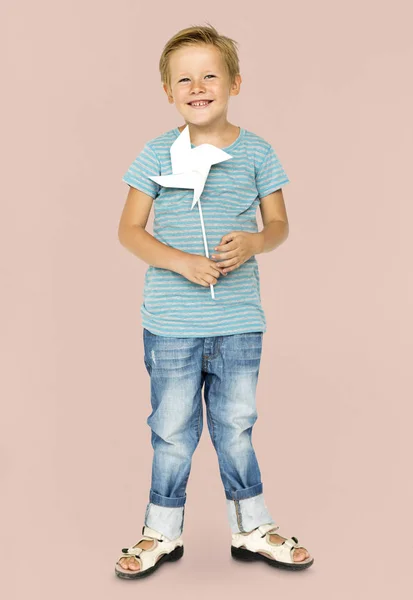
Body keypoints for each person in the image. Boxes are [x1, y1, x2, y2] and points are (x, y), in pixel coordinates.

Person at [115, 23, 314, 579]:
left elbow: (278, 224)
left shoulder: (257, 152)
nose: (197, 86)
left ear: (235, 83)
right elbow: (130, 230)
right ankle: (162, 531)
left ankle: (252, 526)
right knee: (173, 430)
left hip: (237, 321)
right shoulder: (157, 152)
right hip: (172, 323)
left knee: (236, 424)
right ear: (168, 91)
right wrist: (179, 261)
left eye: (210, 75)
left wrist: (256, 242)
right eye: (184, 78)